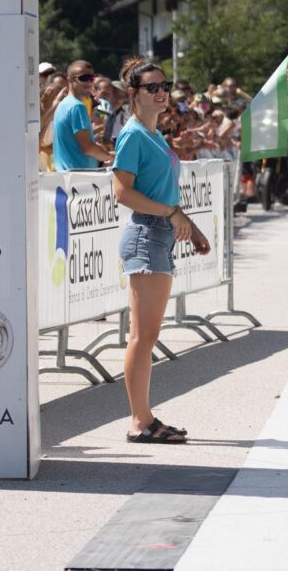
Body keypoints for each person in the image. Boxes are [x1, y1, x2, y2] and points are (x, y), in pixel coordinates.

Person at [111, 63, 212, 443]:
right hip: (146, 234)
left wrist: (188, 224)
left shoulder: (154, 134)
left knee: (147, 334)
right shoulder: (134, 135)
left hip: (160, 234)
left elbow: (164, 192)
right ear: (133, 93)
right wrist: (172, 214)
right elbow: (122, 192)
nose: (160, 92)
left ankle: (144, 418)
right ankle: (140, 421)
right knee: (142, 335)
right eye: (151, 87)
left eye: (164, 85)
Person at [52, 60, 112, 171]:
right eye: (84, 78)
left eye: (91, 78)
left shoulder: (63, 104)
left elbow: (75, 143)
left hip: (68, 177)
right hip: (78, 179)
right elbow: (88, 148)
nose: (89, 82)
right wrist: (112, 157)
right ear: (70, 80)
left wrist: (105, 153)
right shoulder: (77, 106)